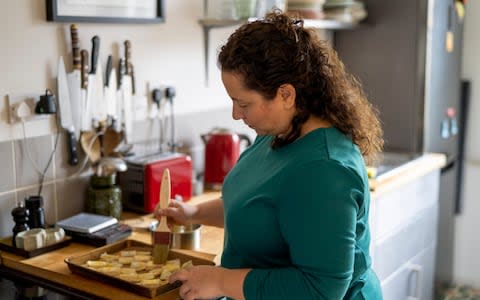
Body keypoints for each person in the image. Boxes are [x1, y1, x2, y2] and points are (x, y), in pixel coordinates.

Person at [156, 9, 384, 300]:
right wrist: (193, 213)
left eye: (243, 103)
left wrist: (221, 281)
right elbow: (258, 205)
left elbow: (321, 290)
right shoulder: (278, 131)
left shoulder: (324, 171)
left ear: (286, 95)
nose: (236, 114)